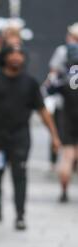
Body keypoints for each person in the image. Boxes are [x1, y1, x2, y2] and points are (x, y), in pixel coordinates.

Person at [0, 45, 61, 230]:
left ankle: (20, 216)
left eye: (19, 54)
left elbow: (42, 110)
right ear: (5, 57)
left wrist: (54, 136)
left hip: (20, 137)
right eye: (12, 53)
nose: (16, 57)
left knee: (20, 175)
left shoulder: (30, 82)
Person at [46, 23, 78, 202]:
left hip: (66, 108)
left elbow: (52, 79)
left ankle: (64, 191)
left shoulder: (63, 52)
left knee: (67, 154)